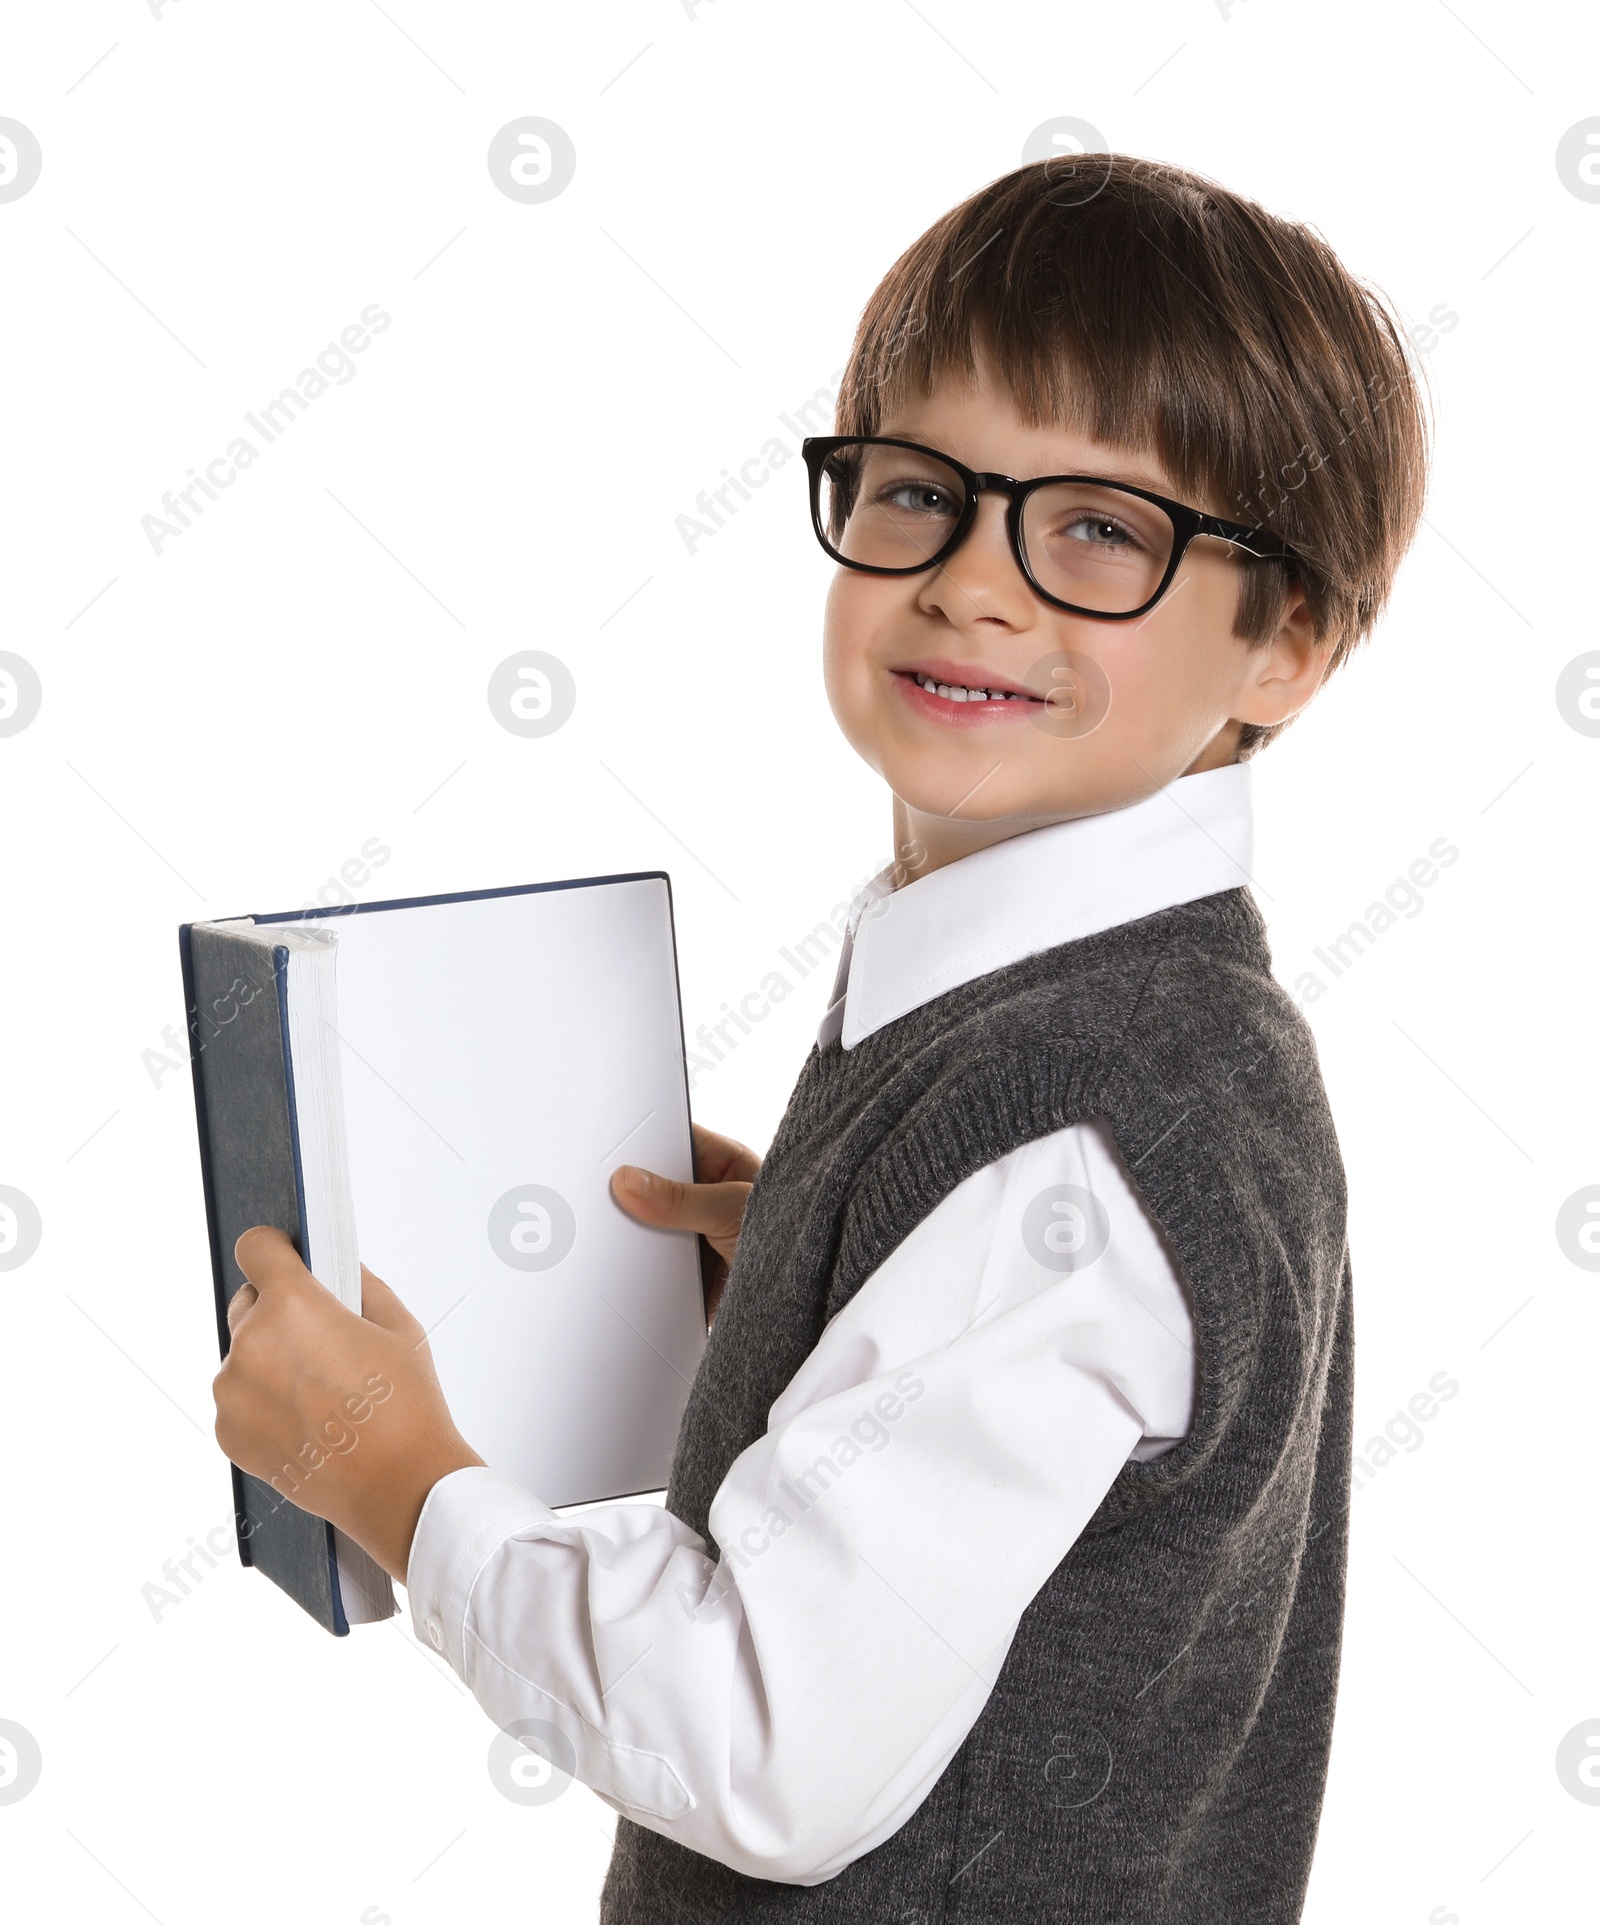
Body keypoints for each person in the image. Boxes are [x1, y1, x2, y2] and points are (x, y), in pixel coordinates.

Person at [213, 152, 1429, 1921]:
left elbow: (768, 1747)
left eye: (1102, 526)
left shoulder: (1065, 1133)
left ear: (1287, 642)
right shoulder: (1142, 1021)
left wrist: (403, 1485)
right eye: (924, 487)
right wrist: (827, 1270)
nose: (976, 583)